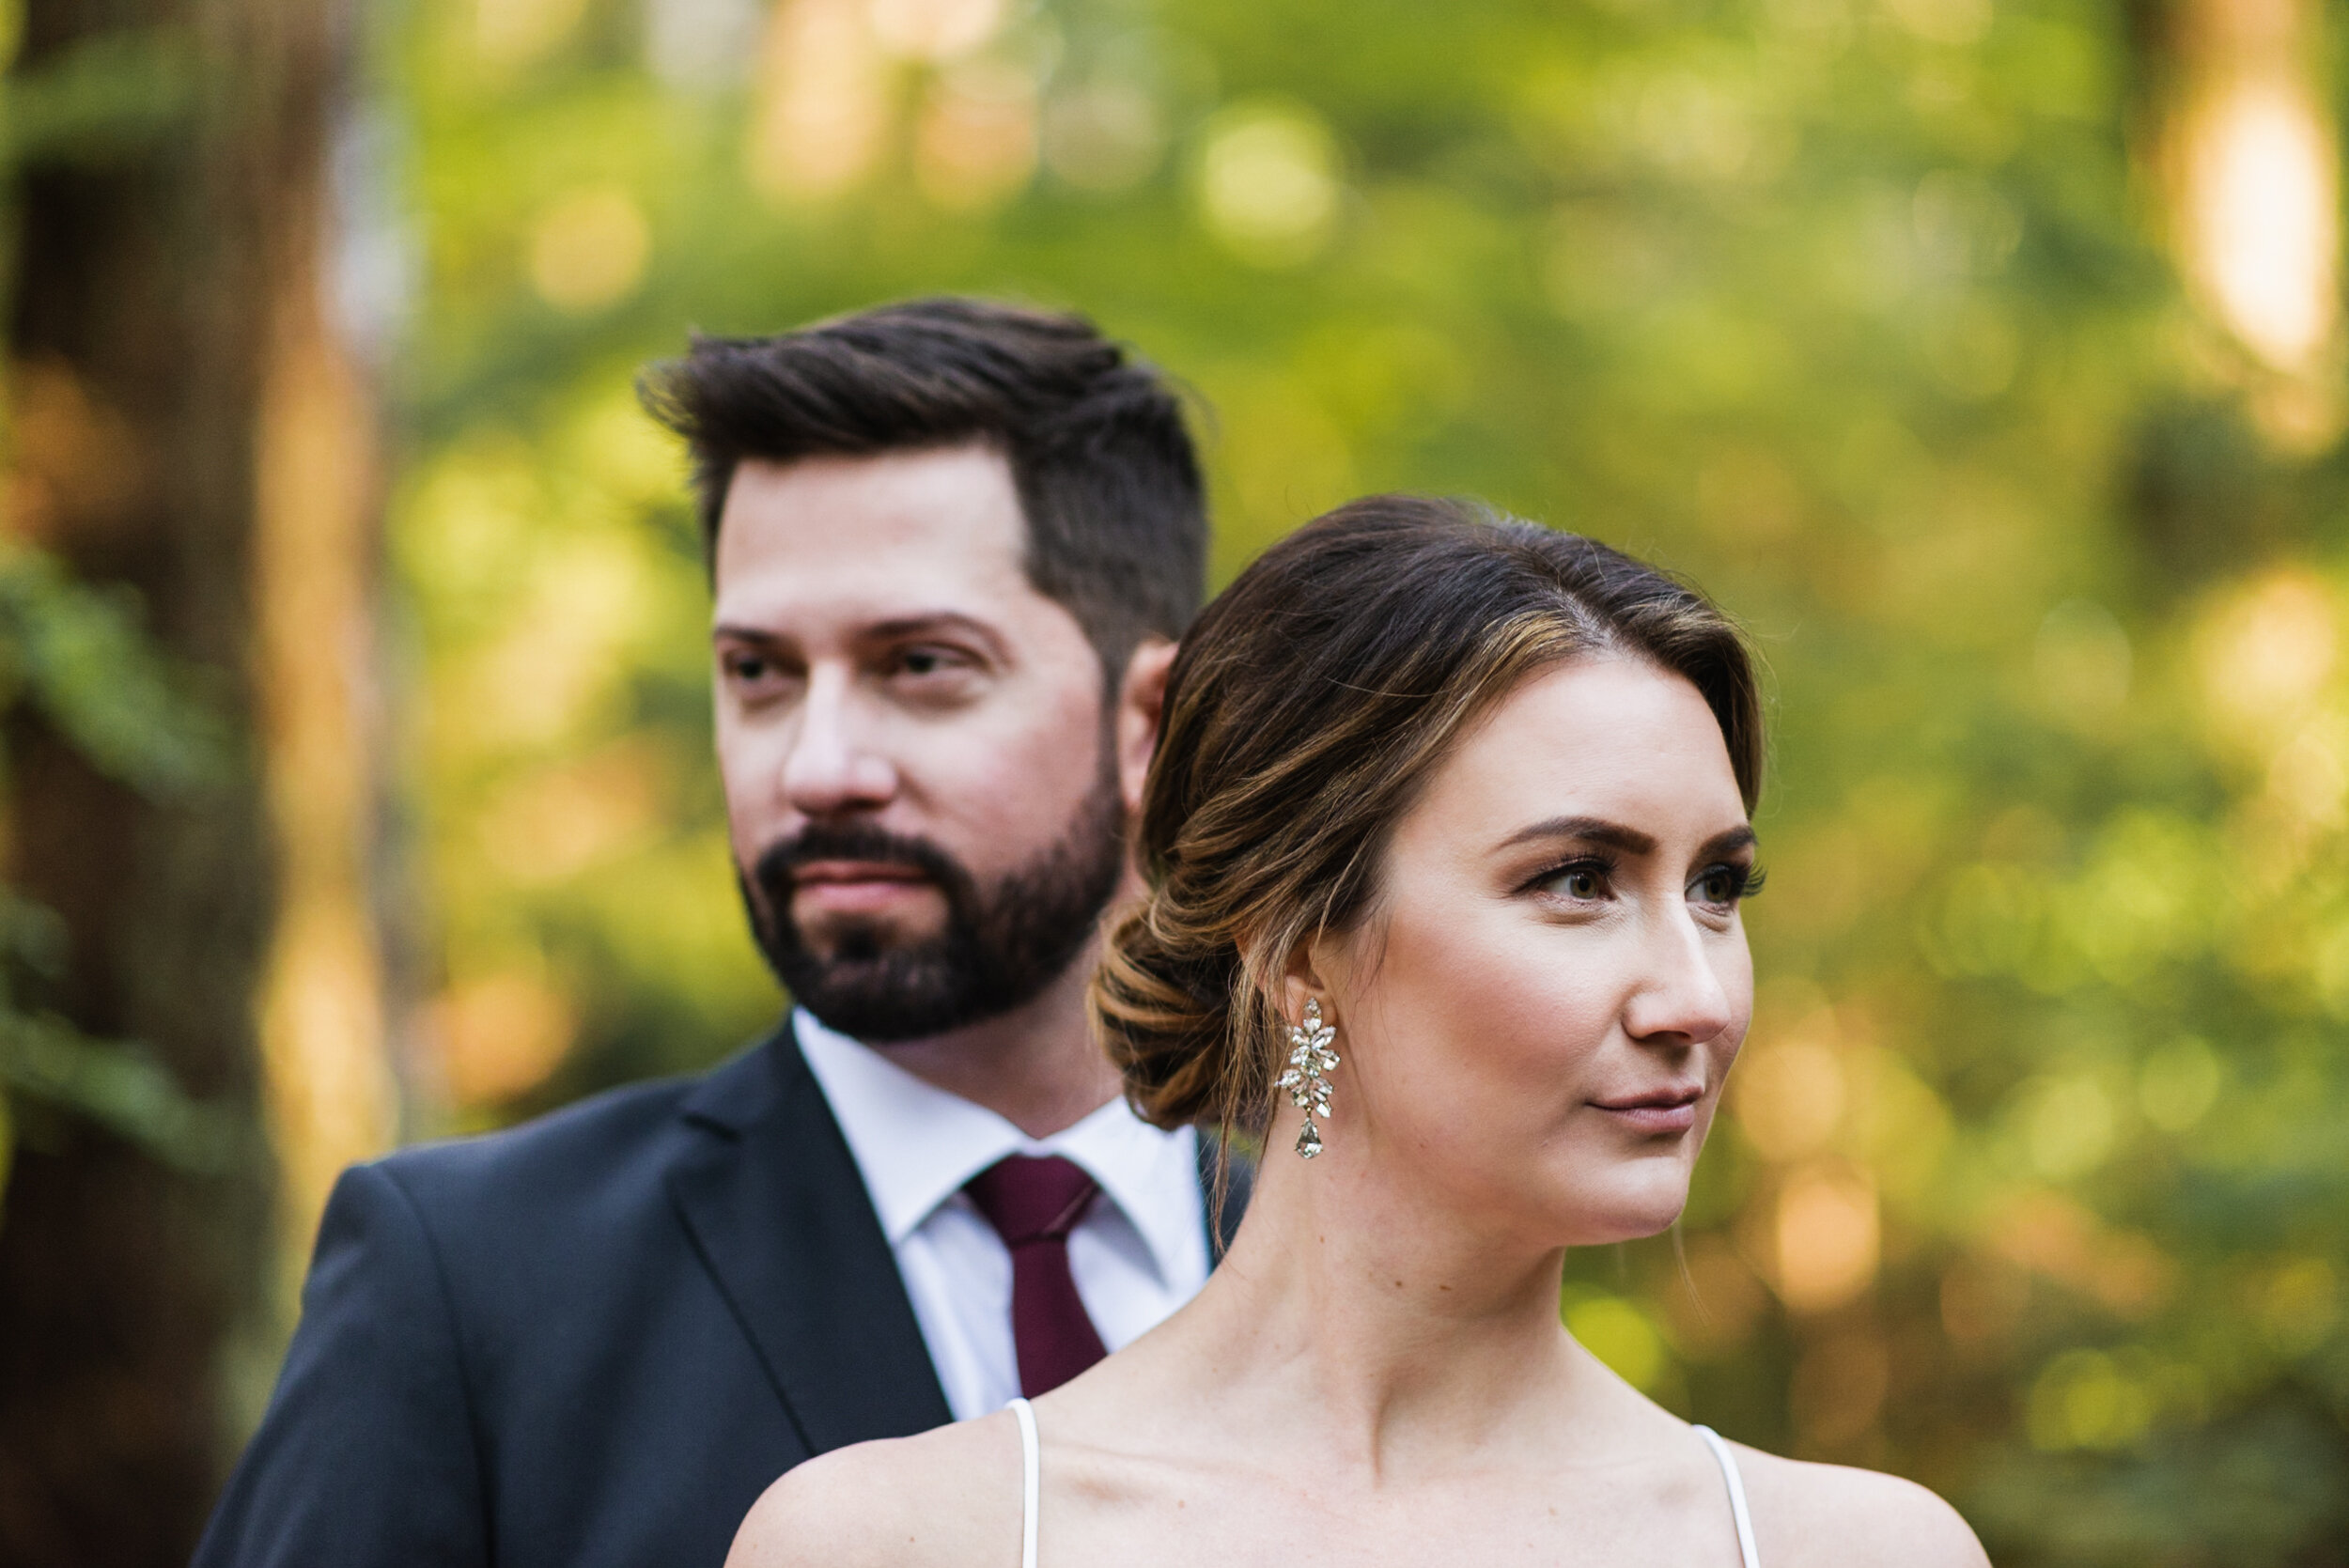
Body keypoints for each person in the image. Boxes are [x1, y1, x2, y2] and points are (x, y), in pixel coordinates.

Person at [729, 496, 1991, 1568]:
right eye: (1576, 879)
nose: (1697, 999)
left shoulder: (1851, 1549)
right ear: (1292, 943)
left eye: (1718, 887)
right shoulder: (899, 1540)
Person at [194, 298, 1237, 1568]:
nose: (818, 766)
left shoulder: (1353, 1253)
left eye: (920, 663)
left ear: (1152, 723)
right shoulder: (470, 1290)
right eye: (760, 672)